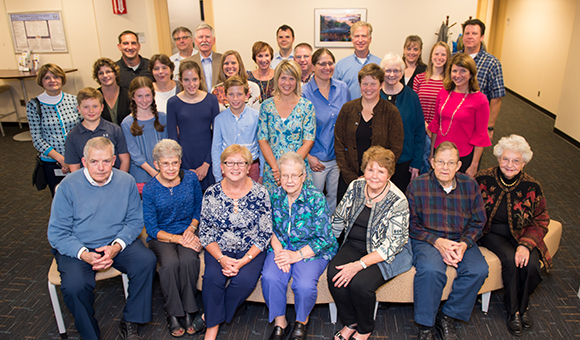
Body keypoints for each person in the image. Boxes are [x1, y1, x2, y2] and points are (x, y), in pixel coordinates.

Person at [48, 137, 157, 340]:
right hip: (78, 247)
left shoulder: (126, 181)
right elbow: (57, 233)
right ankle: (89, 334)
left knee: (146, 261)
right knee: (74, 287)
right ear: (84, 161)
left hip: (115, 241)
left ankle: (131, 321)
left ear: (114, 160)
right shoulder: (67, 186)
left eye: (106, 161)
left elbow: (135, 220)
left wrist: (115, 247)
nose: (100, 168)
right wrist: (85, 254)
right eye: (94, 162)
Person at [328, 146, 413, 340]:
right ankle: (350, 322)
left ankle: (365, 329)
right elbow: (339, 217)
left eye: (381, 171)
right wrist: (325, 244)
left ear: (389, 175)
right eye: (370, 169)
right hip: (356, 243)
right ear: (364, 170)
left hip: (386, 252)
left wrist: (359, 265)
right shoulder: (356, 186)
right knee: (334, 273)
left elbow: (391, 245)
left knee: (360, 284)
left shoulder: (398, 201)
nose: (374, 176)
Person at [407, 141, 488, 340]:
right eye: (441, 162)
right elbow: (410, 224)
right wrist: (436, 242)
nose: (445, 167)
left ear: (458, 165)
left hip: (460, 239)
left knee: (478, 270)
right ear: (432, 162)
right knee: (431, 270)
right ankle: (425, 325)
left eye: (451, 163)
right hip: (427, 238)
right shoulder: (417, 185)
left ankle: (448, 316)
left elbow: (479, 221)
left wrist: (464, 244)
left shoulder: (470, 185)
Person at [475, 135, 551, 336]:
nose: (510, 165)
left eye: (516, 160)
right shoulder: (483, 179)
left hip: (522, 234)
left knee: (532, 264)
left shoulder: (532, 186)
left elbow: (541, 219)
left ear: (524, 163)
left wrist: (526, 244)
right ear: (499, 159)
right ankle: (514, 312)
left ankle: (522, 306)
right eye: (505, 159)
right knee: (510, 260)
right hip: (491, 233)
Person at [261, 151, 337, 340]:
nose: (289, 180)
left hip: (312, 249)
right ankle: (280, 323)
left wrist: (296, 256)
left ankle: (301, 322)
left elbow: (325, 238)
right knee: (270, 277)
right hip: (281, 246)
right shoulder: (274, 195)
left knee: (303, 285)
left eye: (294, 175)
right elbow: (266, 226)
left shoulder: (315, 198)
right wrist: (279, 251)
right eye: (285, 175)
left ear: (303, 176)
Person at [199, 144, 273, 340]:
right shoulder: (211, 194)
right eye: (229, 163)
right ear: (221, 167)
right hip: (219, 248)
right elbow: (205, 233)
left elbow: (265, 233)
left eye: (241, 163)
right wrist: (222, 258)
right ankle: (212, 329)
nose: (235, 167)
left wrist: (243, 261)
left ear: (249, 167)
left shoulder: (260, 193)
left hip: (250, 249)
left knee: (244, 281)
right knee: (213, 279)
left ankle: (212, 316)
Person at [142, 139, 204, 338]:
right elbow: (151, 227)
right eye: (165, 163)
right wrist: (177, 239)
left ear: (180, 162)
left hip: (188, 231)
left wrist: (192, 228)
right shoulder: (150, 189)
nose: (171, 168)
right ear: (156, 164)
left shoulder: (191, 179)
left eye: (175, 163)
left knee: (188, 260)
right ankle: (173, 313)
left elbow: (198, 208)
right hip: (161, 236)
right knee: (169, 264)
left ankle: (189, 310)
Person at [334, 63, 404, 203]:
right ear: (359, 85)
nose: (369, 88)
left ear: (381, 85)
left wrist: (375, 176)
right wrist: (351, 178)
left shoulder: (391, 112)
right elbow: (339, 144)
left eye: (373, 84)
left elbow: (396, 148)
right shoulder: (348, 109)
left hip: (379, 182)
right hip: (348, 179)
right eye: (365, 84)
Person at [302, 48, 350, 213]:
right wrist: (308, 157)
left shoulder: (342, 88)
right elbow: (298, 128)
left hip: (338, 157)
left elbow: (348, 121)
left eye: (330, 63)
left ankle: (329, 233)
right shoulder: (304, 92)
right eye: (322, 63)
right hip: (316, 159)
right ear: (313, 66)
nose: (327, 67)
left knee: (334, 199)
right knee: (313, 200)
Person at [428, 53, 491, 177]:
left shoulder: (480, 100)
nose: (457, 75)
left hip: (463, 155)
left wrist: (474, 165)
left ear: (471, 73)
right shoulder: (443, 93)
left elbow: (481, 134)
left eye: (463, 71)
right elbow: (436, 124)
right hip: (440, 151)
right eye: (454, 71)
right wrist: (431, 154)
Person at [257, 60, 316, 193]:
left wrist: (291, 169)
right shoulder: (267, 106)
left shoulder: (307, 106)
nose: (287, 83)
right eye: (283, 78)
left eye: (291, 79)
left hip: (298, 172)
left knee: (299, 210)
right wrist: (277, 169)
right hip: (273, 172)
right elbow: (262, 140)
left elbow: (308, 141)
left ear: (297, 81)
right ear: (277, 79)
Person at [26, 63, 81, 196]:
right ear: (41, 81)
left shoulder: (73, 100)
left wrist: (71, 158)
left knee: (80, 194)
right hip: (52, 162)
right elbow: (37, 139)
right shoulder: (34, 105)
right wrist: (62, 159)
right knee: (60, 197)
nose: (52, 81)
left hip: (77, 159)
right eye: (47, 78)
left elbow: (81, 129)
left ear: (62, 78)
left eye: (56, 76)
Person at [167, 60, 220, 190]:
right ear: (180, 80)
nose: (191, 84)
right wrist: (184, 167)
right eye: (186, 80)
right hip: (184, 159)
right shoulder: (173, 103)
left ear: (200, 79)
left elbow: (217, 135)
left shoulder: (211, 100)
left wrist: (207, 164)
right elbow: (172, 138)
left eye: (195, 79)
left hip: (208, 158)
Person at [379, 53, 424, 193]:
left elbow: (419, 131)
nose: (392, 74)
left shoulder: (412, 97)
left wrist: (416, 163)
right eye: (387, 70)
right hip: (378, 162)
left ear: (402, 72)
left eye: (396, 70)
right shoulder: (374, 95)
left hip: (405, 161)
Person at [211, 76, 264, 183]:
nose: (235, 98)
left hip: (252, 167)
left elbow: (262, 146)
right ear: (225, 96)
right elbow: (216, 149)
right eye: (231, 94)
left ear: (247, 96)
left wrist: (262, 173)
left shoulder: (256, 117)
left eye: (240, 94)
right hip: (228, 169)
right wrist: (218, 177)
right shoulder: (219, 119)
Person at [458, 19, 505, 138]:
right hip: (454, 118)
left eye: (474, 34)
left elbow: (496, 97)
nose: (470, 37)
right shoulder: (454, 58)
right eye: (467, 33)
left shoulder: (492, 63)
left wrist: (490, 126)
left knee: (473, 156)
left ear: (482, 37)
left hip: (476, 122)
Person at [65, 87, 130, 173]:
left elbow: (125, 160)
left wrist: (120, 181)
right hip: (87, 183)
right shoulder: (73, 136)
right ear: (79, 109)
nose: (91, 111)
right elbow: (74, 168)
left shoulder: (115, 130)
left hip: (114, 179)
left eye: (95, 106)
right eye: (86, 107)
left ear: (102, 107)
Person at [121, 77, 168, 191]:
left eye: (147, 95)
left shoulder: (163, 117)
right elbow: (135, 154)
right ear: (132, 97)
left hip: (165, 173)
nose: (144, 100)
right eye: (139, 96)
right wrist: (155, 173)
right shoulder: (127, 123)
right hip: (141, 177)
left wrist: (163, 172)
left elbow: (167, 148)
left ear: (153, 95)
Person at [413, 42, 451, 173]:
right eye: (436, 54)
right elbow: (415, 105)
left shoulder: (450, 82)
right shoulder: (420, 78)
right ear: (431, 56)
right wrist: (426, 126)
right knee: (422, 162)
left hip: (442, 131)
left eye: (443, 54)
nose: (439, 57)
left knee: (439, 163)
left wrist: (434, 129)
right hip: (421, 128)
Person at [334, 21, 382, 100]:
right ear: (352, 39)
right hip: (348, 111)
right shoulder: (341, 66)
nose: (360, 40)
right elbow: (335, 94)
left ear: (370, 39)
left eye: (364, 36)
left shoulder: (380, 64)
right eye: (357, 36)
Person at [184, 23, 223, 92]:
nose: (204, 40)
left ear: (214, 40)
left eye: (207, 37)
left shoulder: (223, 60)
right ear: (195, 41)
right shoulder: (186, 63)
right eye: (201, 37)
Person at [92, 57, 131, 125]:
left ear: (115, 74)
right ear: (97, 77)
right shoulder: (94, 97)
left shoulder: (128, 94)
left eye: (108, 72)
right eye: (101, 73)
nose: (105, 75)